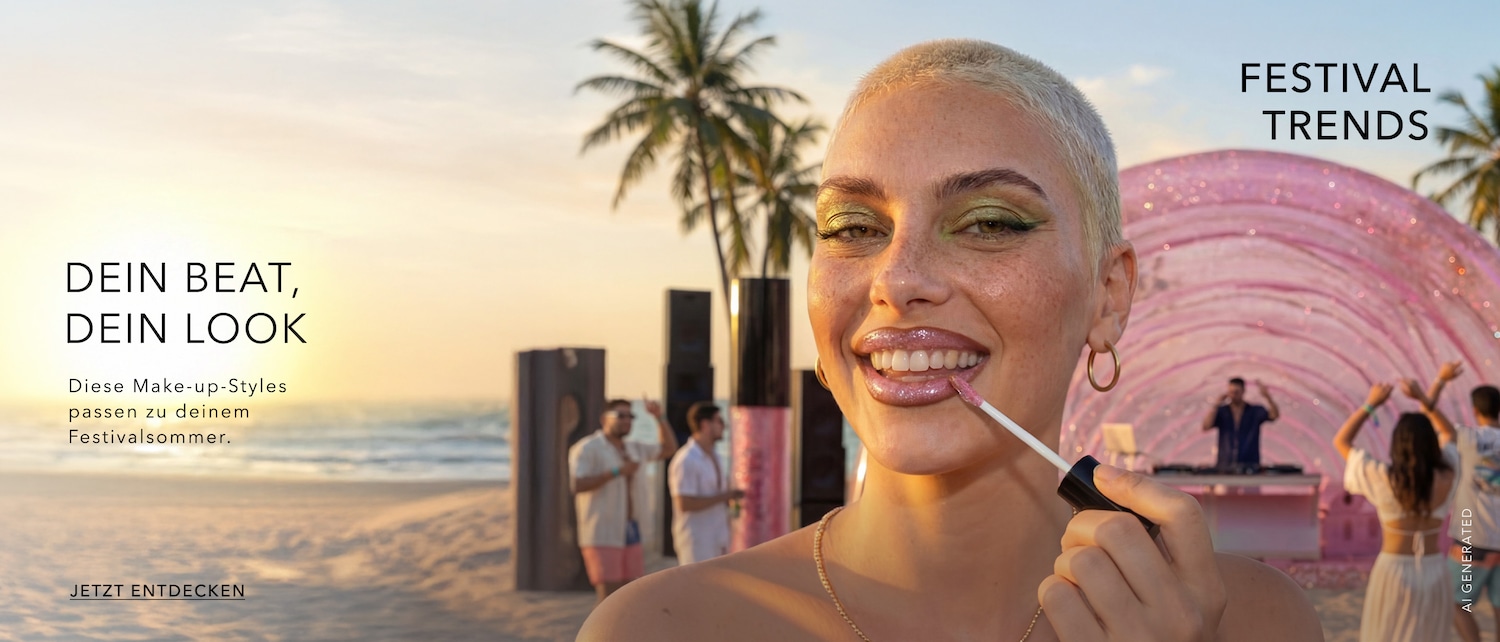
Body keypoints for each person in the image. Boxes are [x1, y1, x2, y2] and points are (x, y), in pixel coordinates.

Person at [579, 39, 1319, 641]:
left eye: (990, 222)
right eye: (854, 229)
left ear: (1108, 294)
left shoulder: (1258, 622)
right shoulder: (658, 628)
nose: (896, 280)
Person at [1333, 379, 1458, 642]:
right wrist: (1424, 398)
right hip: (1434, 568)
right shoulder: (1447, 474)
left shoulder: (1383, 478)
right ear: (1431, 444)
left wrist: (1371, 404)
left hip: (1394, 570)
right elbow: (1451, 435)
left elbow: (1342, 441)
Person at [569, 398, 679, 603]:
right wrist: (616, 471)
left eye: (630, 416)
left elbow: (668, 448)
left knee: (630, 596)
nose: (627, 420)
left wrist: (659, 418)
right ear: (604, 419)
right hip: (603, 531)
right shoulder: (588, 448)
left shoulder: (634, 448)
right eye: (621, 416)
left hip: (631, 530)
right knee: (608, 600)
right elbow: (578, 484)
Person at [1428, 362, 1500, 642]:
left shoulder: (1467, 438)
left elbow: (1429, 410)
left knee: (1455, 602)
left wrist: (1440, 380)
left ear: (1475, 410)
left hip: (1473, 542)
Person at [667, 402, 744, 565]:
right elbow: (684, 503)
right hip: (697, 540)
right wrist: (726, 496)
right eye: (719, 421)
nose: (724, 426)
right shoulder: (686, 460)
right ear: (705, 425)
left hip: (718, 536)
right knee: (695, 589)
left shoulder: (715, 455)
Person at [1200, 377, 1280, 472]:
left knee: (1250, 485)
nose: (1233, 395)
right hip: (1225, 464)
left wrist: (1267, 397)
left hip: (1250, 464)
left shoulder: (1254, 411)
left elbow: (1274, 416)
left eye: (1236, 392)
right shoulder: (1222, 411)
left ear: (1243, 391)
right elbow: (1206, 426)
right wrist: (1216, 405)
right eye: (1231, 392)